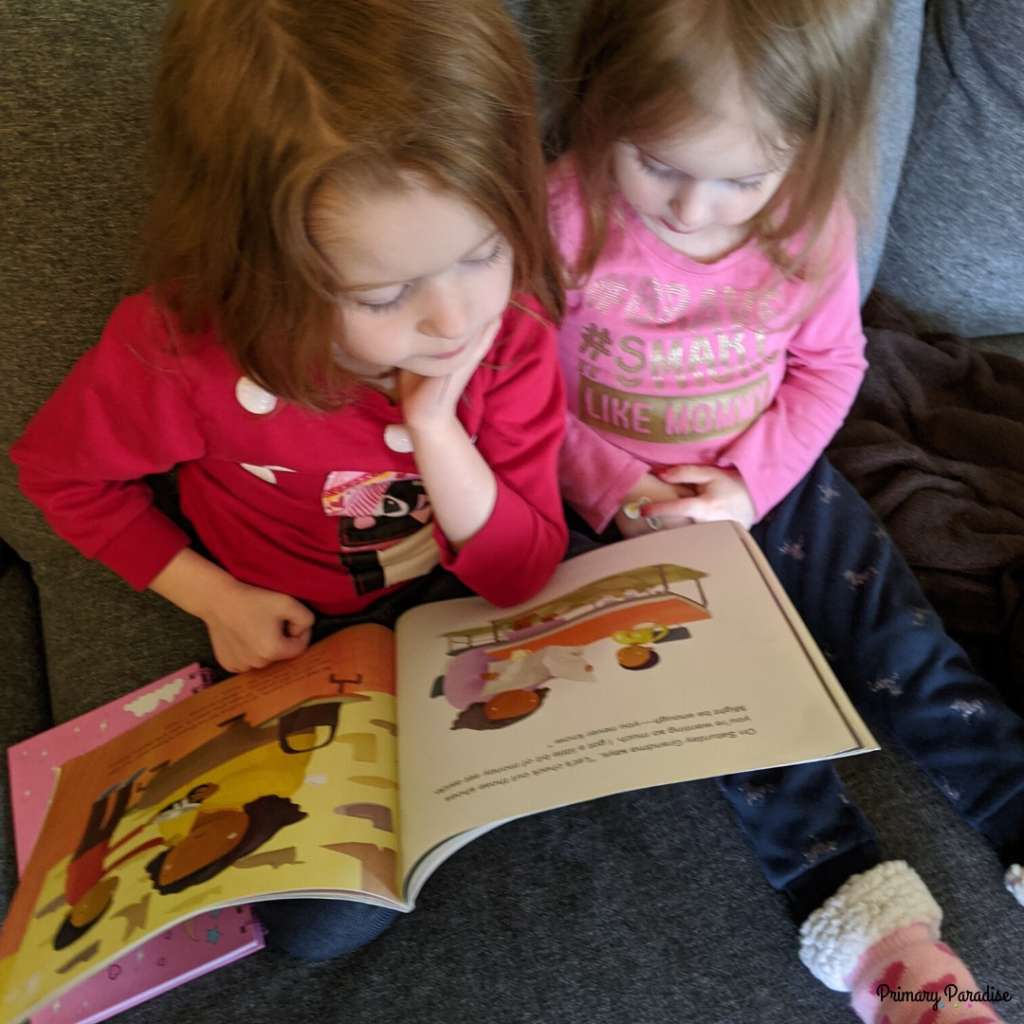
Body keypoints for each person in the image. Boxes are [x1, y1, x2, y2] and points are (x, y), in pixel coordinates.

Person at [11, 0, 567, 961]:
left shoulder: (508, 335)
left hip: (463, 599)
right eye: (384, 295)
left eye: (483, 250)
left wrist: (436, 427)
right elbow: (61, 478)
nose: (452, 317)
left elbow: (520, 571)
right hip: (296, 630)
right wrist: (211, 594)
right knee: (313, 923)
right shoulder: (179, 351)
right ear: (257, 272)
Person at [549, 1, 1021, 1020]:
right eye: (657, 163)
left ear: (802, 153)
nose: (693, 211)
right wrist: (614, 489)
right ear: (600, 115)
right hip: (616, 512)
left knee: (906, 643)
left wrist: (749, 484)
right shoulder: (560, 218)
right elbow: (516, 392)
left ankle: (1013, 798)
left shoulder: (810, 220)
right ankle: (872, 933)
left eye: (740, 180)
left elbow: (829, 363)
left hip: (773, 479)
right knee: (736, 710)